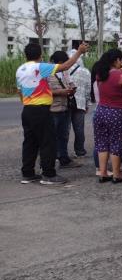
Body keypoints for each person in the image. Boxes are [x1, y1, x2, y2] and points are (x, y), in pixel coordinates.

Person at [16, 41, 89, 184]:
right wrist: (79, 51)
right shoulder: (40, 67)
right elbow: (66, 66)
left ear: (26, 54)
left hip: (27, 109)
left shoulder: (20, 69)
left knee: (30, 142)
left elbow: (19, 91)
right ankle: (49, 175)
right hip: (41, 110)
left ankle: (28, 173)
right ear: (40, 54)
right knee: (47, 141)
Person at [94, 49, 122, 183]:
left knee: (102, 143)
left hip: (100, 111)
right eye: (121, 59)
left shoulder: (101, 74)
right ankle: (116, 174)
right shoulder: (121, 74)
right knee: (117, 143)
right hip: (117, 112)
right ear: (117, 60)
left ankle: (103, 172)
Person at [47, 51, 80, 169]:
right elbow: (43, 92)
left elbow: (70, 83)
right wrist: (59, 92)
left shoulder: (65, 72)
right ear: (59, 62)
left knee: (64, 135)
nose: (66, 64)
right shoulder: (47, 72)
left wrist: (72, 88)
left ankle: (64, 159)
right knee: (50, 136)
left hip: (65, 107)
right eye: (64, 62)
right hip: (52, 109)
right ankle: (48, 161)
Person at [68, 59, 92, 157]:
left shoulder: (64, 70)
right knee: (79, 129)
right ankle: (80, 151)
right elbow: (88, 89)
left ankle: (60, 153)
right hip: (81, 103)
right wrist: (87, 103)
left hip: (68, 102)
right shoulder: (86, 71)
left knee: (64, 129)